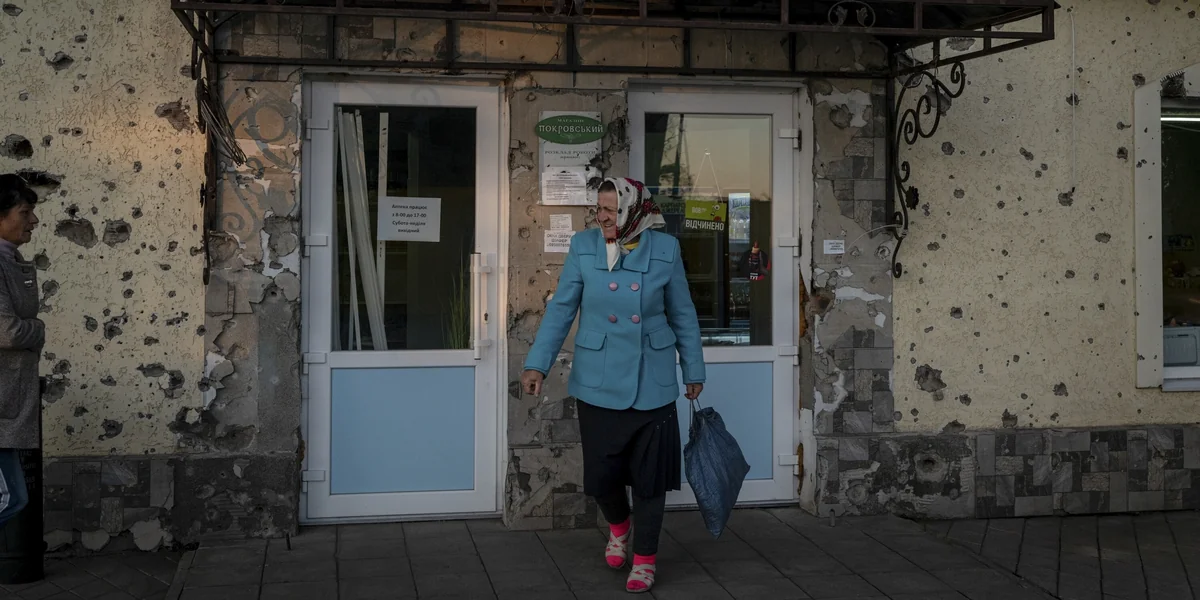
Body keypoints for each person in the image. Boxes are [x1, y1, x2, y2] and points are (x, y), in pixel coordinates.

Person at [521, 177, 705, 594]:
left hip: (651, 380)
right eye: (599, 208)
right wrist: (537, 364)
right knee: (603, 477)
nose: (601, 216)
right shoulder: (584, 246)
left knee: (650, 480)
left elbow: (683, 313)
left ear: (634, 211)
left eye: (610, 209)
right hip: (598, 377)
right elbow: (562, 308)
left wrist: (693, 369)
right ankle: (619, 527)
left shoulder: (666, 249)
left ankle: (645, 558)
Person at [0, 173, 42, 528]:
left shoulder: (10, 261)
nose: (33, 220)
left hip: (6, 403)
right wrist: (38, 329)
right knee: (10, 498)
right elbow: (8, 332)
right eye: (24, 212)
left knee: (13, 498)